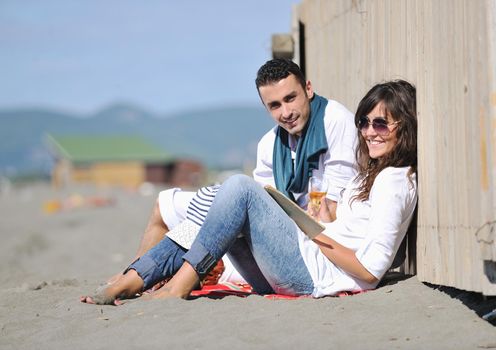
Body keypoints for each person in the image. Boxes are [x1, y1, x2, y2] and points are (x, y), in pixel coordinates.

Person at [81, 79, 418, 304]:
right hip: (304, 262)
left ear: (403, 126)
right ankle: (136, 276)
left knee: (240, 188)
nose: (369, 132)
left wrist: (315, 235)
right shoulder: (371, 175)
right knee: (220, 207)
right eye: (365, 122)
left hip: (314, 275)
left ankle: (175, 284)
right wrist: (317, 220)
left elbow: (371, 271)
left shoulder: (395, 181)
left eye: (381, 123)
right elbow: (346, 231)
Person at [105, 58, 358, 287]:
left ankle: (169, 280)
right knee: (166, 203)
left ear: (309, 89)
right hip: (275, 236)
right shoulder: (270, 144)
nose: (285, 112)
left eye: (290, 98)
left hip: (313, 253)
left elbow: (332, 213)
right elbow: (266, 206)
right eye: (274, 105)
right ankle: (137, 275)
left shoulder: (334, 122)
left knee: (236, 190)